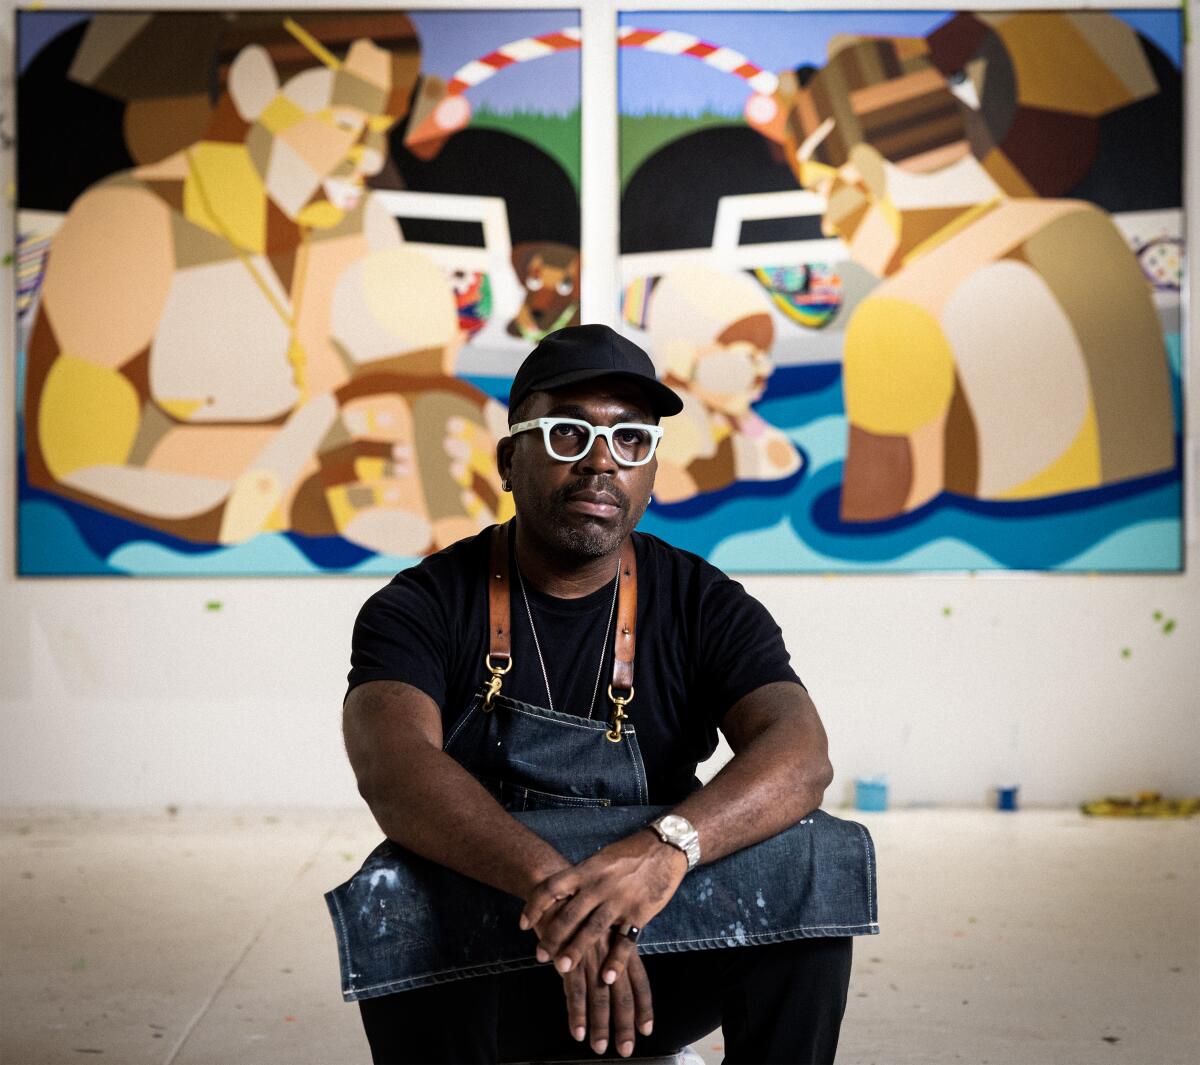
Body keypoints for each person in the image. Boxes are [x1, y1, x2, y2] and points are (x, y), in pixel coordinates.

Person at [335, 324, 877, 1064]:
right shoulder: (422, 605)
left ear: (652, 470)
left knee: (815, 855)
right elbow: (392, 768)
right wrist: (562, 892)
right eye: (566, 433)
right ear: (507, 460)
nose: (600, 462)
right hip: (489, 970)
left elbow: (800, 755)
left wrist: (663, 852)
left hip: (658, 950)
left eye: (631, 441)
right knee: (395, 886)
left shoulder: (703, 603)